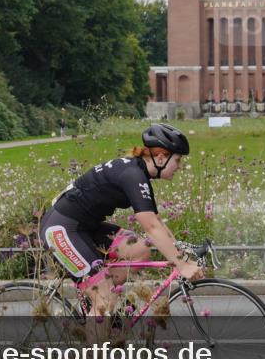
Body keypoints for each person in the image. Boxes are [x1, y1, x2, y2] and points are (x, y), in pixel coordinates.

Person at [38, 123, 202, 314]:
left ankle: (99, 300)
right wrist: (181, 265)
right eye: (178, 160)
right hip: (61, 229)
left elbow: (156, 222)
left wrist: (183, 254)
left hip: (85, 228)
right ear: (160, 157)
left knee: (140, 248)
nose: (179, 167)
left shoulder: (137, 172)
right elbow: (151, 227)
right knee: (104, 299)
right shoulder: (133, 175)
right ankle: (99, 312)